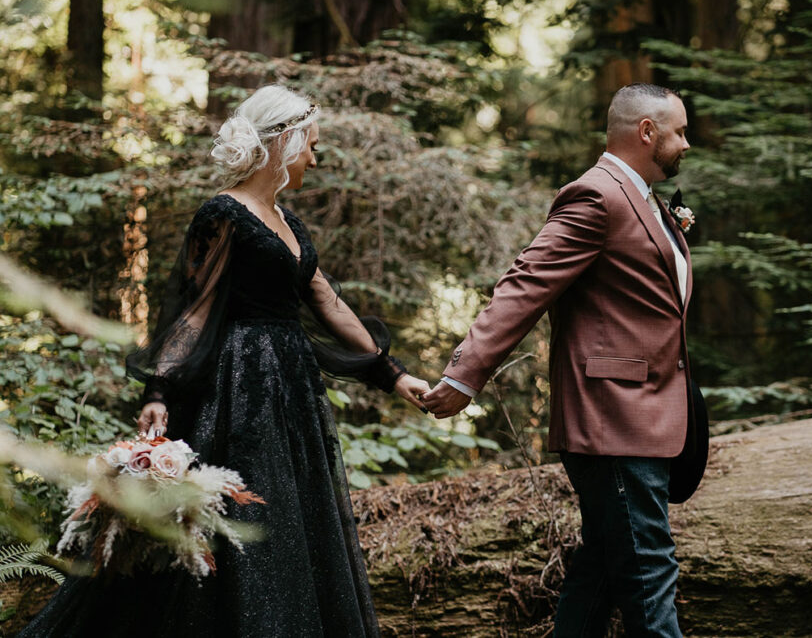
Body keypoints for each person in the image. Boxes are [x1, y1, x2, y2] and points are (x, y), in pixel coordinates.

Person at [20, 84, 428, 637]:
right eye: (311, 143)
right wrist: (159, 391)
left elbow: (327, 300)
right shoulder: (223, 214)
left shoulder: (290, 223)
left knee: (290, 518)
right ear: (284, 142)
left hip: (292, 392)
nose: (315, 155)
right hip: (238, 389)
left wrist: (392, 372)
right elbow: (192, 310)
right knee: (241, 516)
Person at [422, 83, 700, 637]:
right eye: (680, 131)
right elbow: (525, 285)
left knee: (597, 579)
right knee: (650, 577)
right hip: (614, 418)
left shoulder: (644, 198)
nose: (687, 144)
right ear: (647, 132)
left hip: (643, 414)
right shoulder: (597, 196)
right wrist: (465, 373)